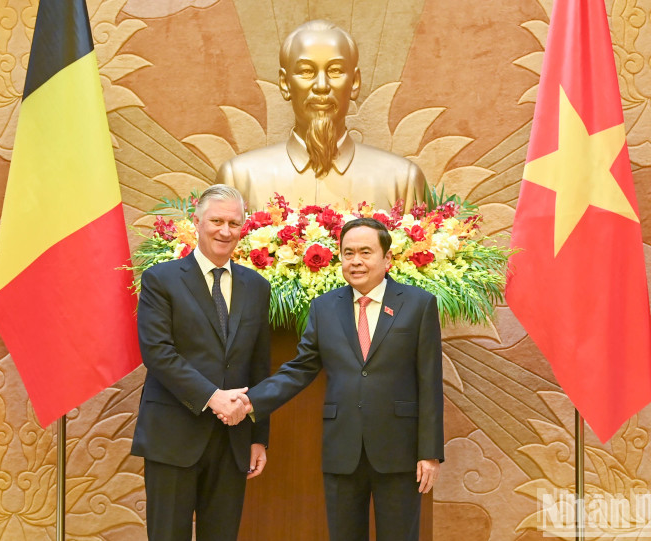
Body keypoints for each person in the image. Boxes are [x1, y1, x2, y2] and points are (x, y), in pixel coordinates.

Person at [222, 217, 444, 541]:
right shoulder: (325, 307)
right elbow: (300, 369)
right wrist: (250, 400)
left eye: (366, 252)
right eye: (348, 253)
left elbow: (430, 382)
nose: (356, 261)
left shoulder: (418, 305)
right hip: (343, 450)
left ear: (387, 259)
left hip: (401, 451)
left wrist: (430, 452)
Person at [131, 185, 271, 541]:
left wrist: (259, 437)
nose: (225, 231)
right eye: (217, 221)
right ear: (197, 221)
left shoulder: (257, 286)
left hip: (233, 440)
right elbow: (158, 352)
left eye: (234, 223)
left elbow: (259, 364)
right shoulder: (161, 279)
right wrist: (213, 396)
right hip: (173, 435)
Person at [217, 20, 428, 211]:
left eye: (335, 71)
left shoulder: (401, 181)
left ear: (354, 82)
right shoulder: (239, 179)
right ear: (285, 83)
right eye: (306, 71)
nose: (321, 86)